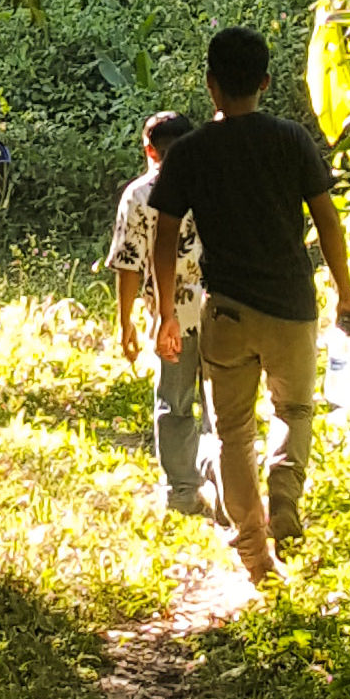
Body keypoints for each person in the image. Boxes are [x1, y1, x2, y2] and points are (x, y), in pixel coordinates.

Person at [146, 25, 350, 583]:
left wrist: (165, 313)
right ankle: (285, 496)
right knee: (294, 412)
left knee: (232, 431)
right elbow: (326, 218)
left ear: (211, 86)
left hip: (226, 310)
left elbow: (164, 236)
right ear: (266, 82)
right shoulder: (291, 139)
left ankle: (254, 551)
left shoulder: (190, 152)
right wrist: (345, 290)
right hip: (292, 306)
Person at [110, 111, 217, 518]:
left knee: (174, 403)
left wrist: (126, 323)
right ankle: (223, 483)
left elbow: (128, 263)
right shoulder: (216, 182)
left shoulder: (139, 194)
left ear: (148, 149)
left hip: (170, 314)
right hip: (223, 308)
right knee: (221, 404)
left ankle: (182, 492)